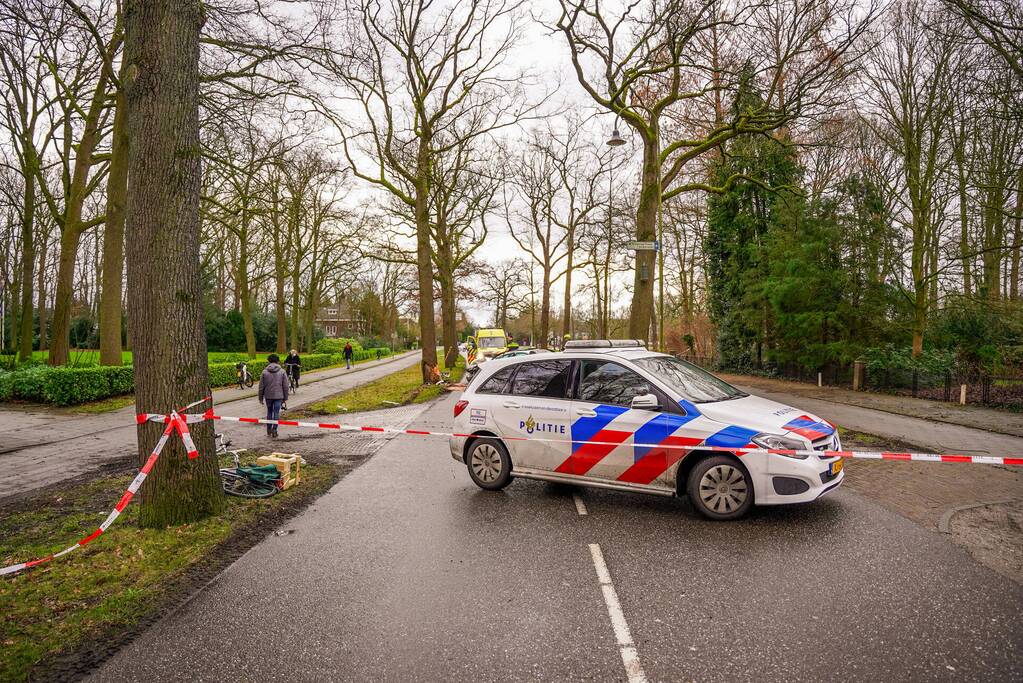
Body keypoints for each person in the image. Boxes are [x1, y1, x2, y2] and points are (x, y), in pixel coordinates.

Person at [258, 353, 289, 438]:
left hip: (268, 396)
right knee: (276, 412)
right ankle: (274, 430)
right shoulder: (282, 371)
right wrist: (285, 397)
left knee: (269, 412)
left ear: (269, 361)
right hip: (279, 396)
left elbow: (261, 386)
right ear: (278, 361)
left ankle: (268, 429)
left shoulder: (264, 372)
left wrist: (260, 398)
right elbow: (285, 386)